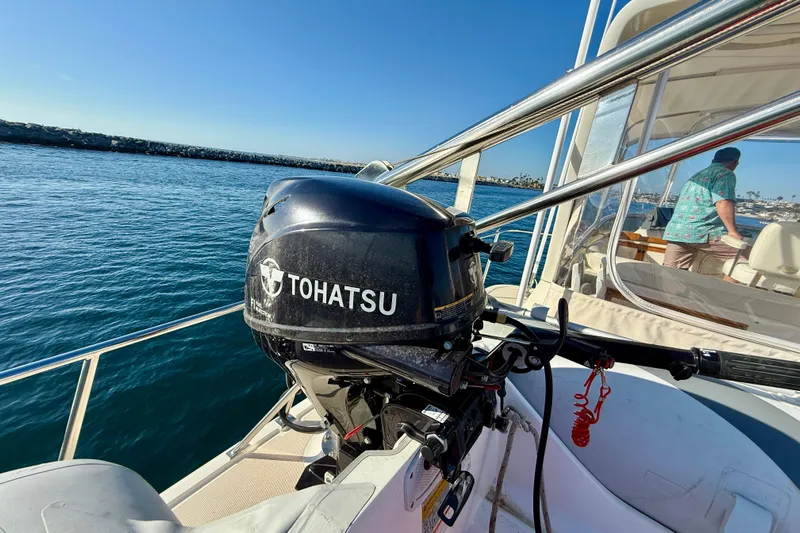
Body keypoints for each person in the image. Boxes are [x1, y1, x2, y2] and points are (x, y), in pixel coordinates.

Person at [662, 147, 742, 281]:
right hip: (703, 231)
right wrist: (732, 231)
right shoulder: (725, 174)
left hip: (678, 231)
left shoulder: (697, 176)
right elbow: (722, 202)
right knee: (740, 265)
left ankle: (667, 294)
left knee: (670, 274)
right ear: (735, 162)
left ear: (713, 160)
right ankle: (724, 293)